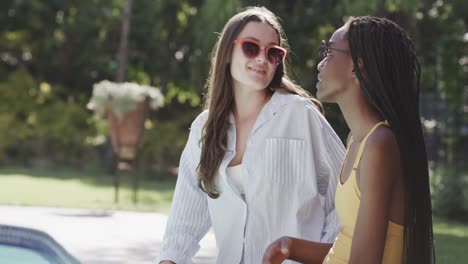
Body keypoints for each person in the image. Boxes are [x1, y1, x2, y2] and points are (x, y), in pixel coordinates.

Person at [157, 6, 345, 264]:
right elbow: (184, 219)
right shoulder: (205, 128)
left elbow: (345, 197)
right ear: (227, 52)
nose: (262, 59)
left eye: (273, 53)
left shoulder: (300, 115)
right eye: (251, 47)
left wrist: (324, 257)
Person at [263, 16, 435, 264]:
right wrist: (292, 246)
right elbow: (349, 245)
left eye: (329, 52)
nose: (320, 64)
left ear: (357, 66)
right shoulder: (357, 139)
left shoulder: (380, 145)